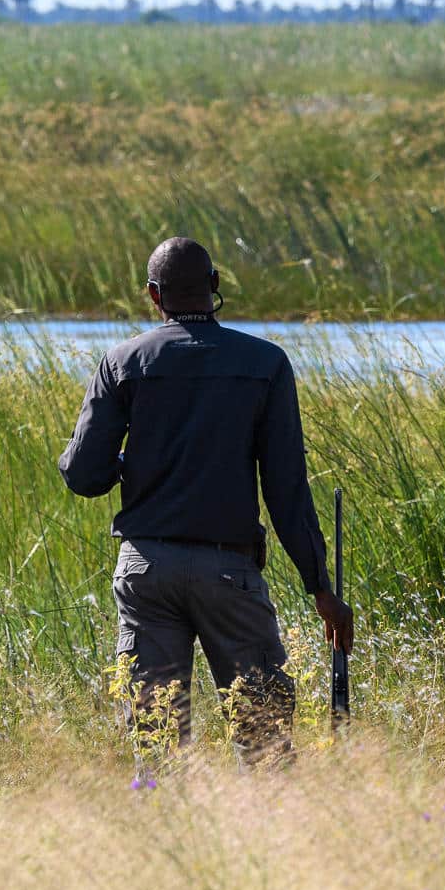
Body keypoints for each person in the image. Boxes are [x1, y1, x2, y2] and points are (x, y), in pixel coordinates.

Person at [58, 237, 353, 761]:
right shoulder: (265, 363)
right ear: (215, 286)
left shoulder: (123, 361)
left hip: (145, 571)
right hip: (229, 575)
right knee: (264, 741)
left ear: (154, 295)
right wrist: (321, 589)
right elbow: (286, 490)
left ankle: (165, 832)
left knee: (156, 742)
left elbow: (83, 476)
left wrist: (127, 463)